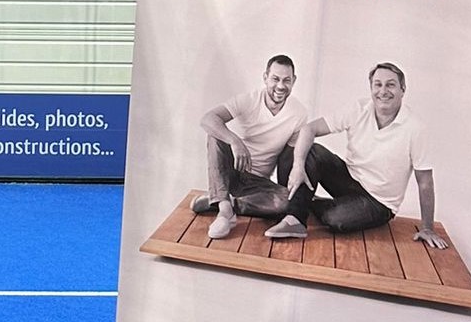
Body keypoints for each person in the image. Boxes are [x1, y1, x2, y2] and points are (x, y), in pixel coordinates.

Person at [265, 62, 445, 248]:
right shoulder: (359, 108)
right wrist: (298, 166)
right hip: (349, 180)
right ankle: (295, 219)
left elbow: (425, 182)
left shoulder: (415, 128)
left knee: (335, 219)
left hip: (378, 202)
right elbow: (310, 129)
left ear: (402, 89)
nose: (383, 91)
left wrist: (427, 228)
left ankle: (306, 202)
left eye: (390, 84)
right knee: (302, 150)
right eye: (378, 84)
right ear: (371, 88)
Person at [190, 54, 310, 239]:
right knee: (215, 135)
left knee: (288, 202)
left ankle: (222, 201)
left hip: (257, 183)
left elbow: (289, 156)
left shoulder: (299, 113)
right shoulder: (248, 100)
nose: (280, 86)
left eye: (287, 80)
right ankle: (224, 211)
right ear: (265, 78)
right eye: (275, 79)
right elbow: (208, 119)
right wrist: (234, 141)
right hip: (231, 169)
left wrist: (295, 173)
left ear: (294, 81)